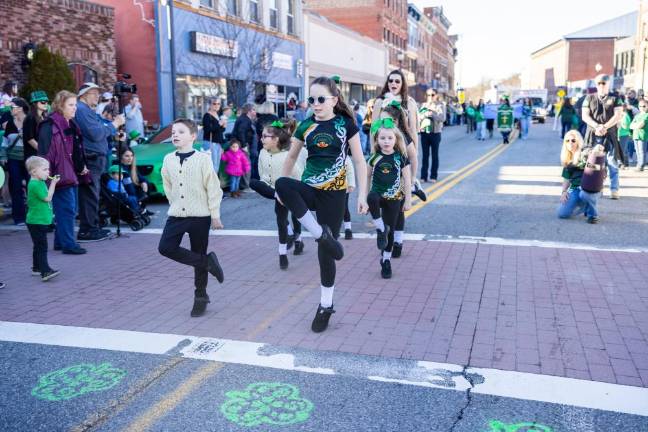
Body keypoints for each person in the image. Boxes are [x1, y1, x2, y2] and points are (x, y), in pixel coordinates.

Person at [275, 76, 368, 333]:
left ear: (334, 100)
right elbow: (291, 156)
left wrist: (361, 195)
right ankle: (319, 234)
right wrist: (280, 189)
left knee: (324, 255)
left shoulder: (346, 124)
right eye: (312, 99)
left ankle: (325, 305)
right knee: (281, 184)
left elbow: (360, 161)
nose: (315, 104)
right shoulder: (305, 126)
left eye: (321, 99)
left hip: (335, 195)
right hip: (310, 189)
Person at [157, 118, 224, 318]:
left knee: (197, 253)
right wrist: (175, 203)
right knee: (165, 247)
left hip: (200, 216)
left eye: (181, 132)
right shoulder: (168, 159)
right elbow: (167, 185)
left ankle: (200, 296)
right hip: (177, 215)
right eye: (173, 132)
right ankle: (208, 262)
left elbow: (213, 188)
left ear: (193, 137)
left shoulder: (203, 159)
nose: (175, 135)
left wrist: (215, 215)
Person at [250, 118, 307, 269]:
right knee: (281, 220)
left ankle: (298, 240)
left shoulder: (289, 155)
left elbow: (299, 176)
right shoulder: (262, 153)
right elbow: (263, 176)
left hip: (293, 190)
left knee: (296, 216)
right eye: (261, 136)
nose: (261, 139)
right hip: (276, 191)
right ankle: (282, 253)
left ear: (275, 139)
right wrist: (270, 189)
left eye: (264, 136)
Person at [38, 90, 89, 255]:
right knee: (67, 209)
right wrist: (48, 175)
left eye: (75, 105)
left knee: (67, 209)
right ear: (60, 106)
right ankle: (68, 244)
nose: (75, 108)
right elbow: (45, 153)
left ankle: (61, 241)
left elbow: (75, 150)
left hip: (69, 172)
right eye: (71, 105)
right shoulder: (49, 126)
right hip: (59, 174)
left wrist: (81, 167)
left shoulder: (70, 124)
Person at [75, 82, 125, 242]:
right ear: (83, 95)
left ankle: (92, 227)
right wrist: (114, 125)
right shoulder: (82, 110)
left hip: (94, 158)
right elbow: (95, 134)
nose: (97, 96)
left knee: (92, 194)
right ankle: (87, 230)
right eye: (93, 93)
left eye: (98, 93)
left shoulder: (87, 111)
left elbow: (98, 132)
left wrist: (112, 134)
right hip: (91, 158)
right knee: (89, 195)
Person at [366, 118, 412, 279]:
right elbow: (366, 178)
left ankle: (386, 261)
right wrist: (363, 198)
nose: (386, 141)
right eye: (382, 138)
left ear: (396, 139)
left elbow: (407, 179)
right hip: (378, 194)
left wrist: (408, 200)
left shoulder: (401, 158)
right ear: (377, 140)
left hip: (394, 198)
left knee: (390, 231)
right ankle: (380, 228)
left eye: (390, 138)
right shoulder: (374, 158)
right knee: (371, 198)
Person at [379, 102, 422, 258]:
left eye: (386, 120)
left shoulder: (403, 137)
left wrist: (411, 179)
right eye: (381, 120)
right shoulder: (380, 136)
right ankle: (386, 238)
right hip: (383, 180)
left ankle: (397, 241)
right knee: (386, 211)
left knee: (398, 211)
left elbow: (413, 158)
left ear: (396, 122)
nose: (383, 123)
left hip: (400, 180)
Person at [581, 74, 625, 200]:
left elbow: (618, 115)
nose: (601, 85)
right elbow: (585, 116)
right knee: (594, 163)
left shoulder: (616, 98)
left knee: (612, 162)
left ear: (608, 84)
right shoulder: (588, 98)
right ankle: (596, 188)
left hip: (609, 135)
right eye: (599, 83)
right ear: (596, 85)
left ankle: (614, 189)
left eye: (604, 83)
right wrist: (597, 126)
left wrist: (604, 127)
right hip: (593, 134)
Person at [25, 156, 61, 281]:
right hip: (36, 221)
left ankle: (36, 268)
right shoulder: (35, 184)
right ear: (34, 171)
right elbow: (47, 198)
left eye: (48, 169)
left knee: (38, 245)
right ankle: (45, 272)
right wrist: (53, 184)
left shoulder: (39, 182)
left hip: (37, 220)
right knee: (42, 247)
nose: (48, 172)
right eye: (45, 169)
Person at [557, 130, 602, 224]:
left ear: (578, 141)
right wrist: (564, 192)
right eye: (567, 140)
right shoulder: (567, 157)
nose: (570, 143)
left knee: (584, 195)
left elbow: (597, 166)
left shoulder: (584, 152)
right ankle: (586, 206)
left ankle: (593, 215)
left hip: (590, 188)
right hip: (575, 189)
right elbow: (566, 178)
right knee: (562, 213)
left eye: (573, 140)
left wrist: (596, 151)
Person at [1, 97, 30, 225]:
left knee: (32, 187)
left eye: (12, 107)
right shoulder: (10, 123)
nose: (10, 109)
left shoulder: (30, 121)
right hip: (13, 159)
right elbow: (5, 142)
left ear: (20, 108)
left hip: (29, 159)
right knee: (16, 187)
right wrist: (3, 156)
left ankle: (33, 215)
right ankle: (19, 217)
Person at [419, 89, 446, 182]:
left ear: (436, 95)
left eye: (432, 95)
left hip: (435, 133)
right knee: (425, 156)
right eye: (428, 95)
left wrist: (432, 114)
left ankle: (433, 176)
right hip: (424, 132)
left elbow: (443, 118)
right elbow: (418, 118)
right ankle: (423, 176)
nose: (430, 97)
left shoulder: (440, 105)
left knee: (435, 155)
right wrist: (423, 116)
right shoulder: (423, 105)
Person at [232, 103, 257, 185]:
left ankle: (243, 185)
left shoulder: (245, 119)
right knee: (246, 164)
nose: (255, 112)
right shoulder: (245, 120)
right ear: (249, 111)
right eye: (253, 110)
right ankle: (246, 186)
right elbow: (241, 132)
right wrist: (244, 146)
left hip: (241, 144)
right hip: (242, 144)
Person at [24, 91, 50, 164]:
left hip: (42, 155)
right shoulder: (30, 118)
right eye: (42, 102)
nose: (46, 104)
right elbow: (30, 139)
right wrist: (43, 151)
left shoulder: (44, 117)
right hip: (34, 156)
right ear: (34, 103)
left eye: (47, 102)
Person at [202, 98, 225, 173]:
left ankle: (213, 184)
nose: (216, 105)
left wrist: (223, 127)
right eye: (214, 103)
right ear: (210, 105)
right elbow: (207, 130)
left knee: (216, 167)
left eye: (218, 104)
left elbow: (218, 132)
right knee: (212, 168)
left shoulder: (217, 115)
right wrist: (219, 124)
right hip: (210, 143)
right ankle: (210, 184)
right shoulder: (207, 116)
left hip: (217, 144)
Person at [630, 99, 648, 171]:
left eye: (644, 106)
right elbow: (631, 126)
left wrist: (636, 125)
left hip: (642, 135)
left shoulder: (647, 115)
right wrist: (636, 125)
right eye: (640, 106)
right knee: (637, 151)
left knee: (641, 151)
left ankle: (641, 165)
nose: (642, 108)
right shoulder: (637, 115)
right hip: (635, 135)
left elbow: (641, 125)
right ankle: (639, 164)